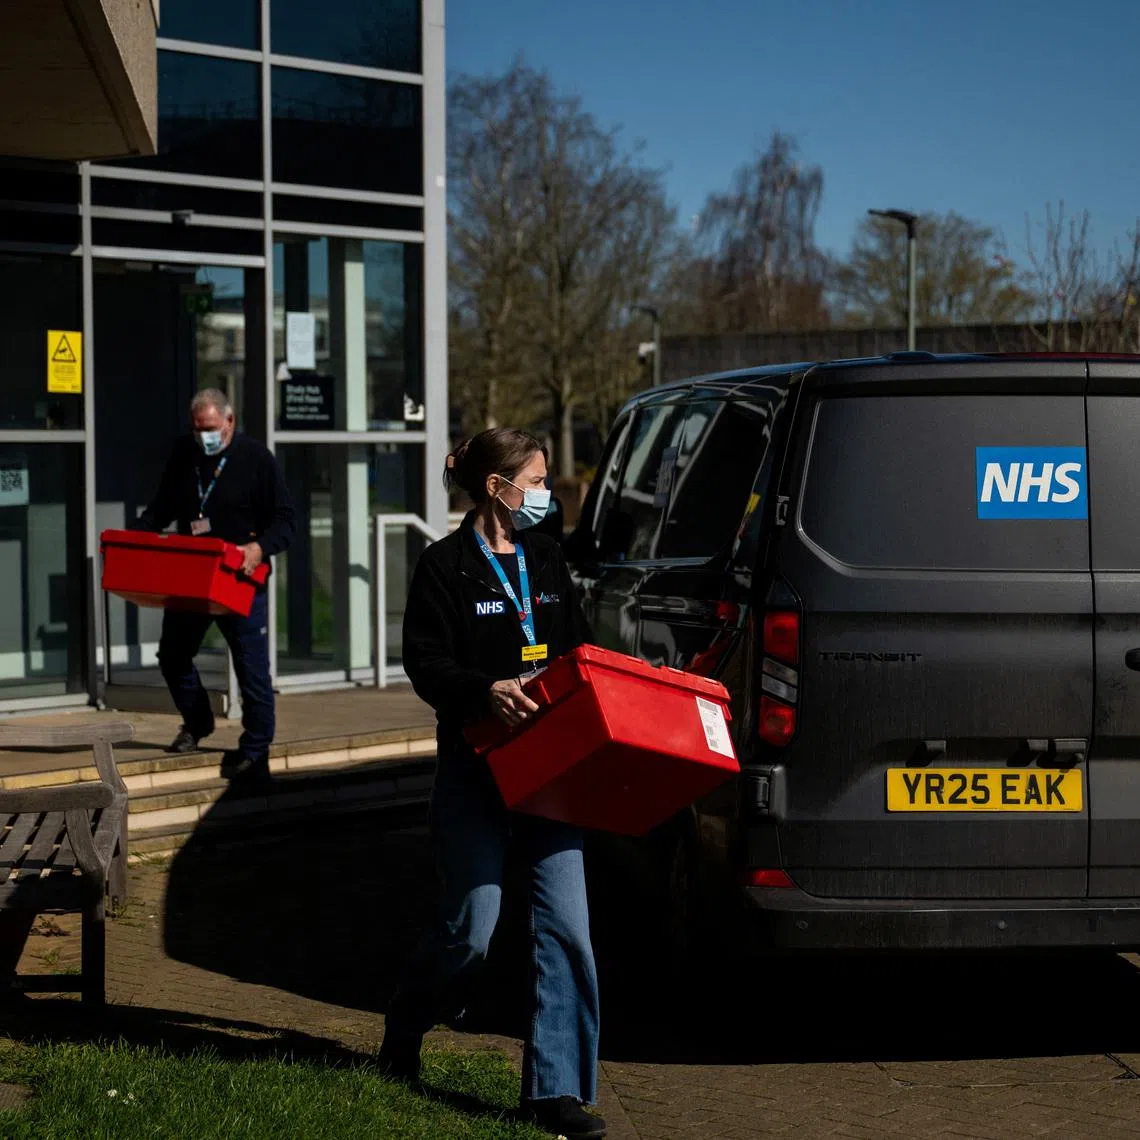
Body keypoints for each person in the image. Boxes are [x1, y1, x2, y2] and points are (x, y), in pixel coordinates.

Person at [378, 428, 605, 1140]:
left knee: (567, 930)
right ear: (496, 486)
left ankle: (554, 1093)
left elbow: (574, 643)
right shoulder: (444, 567)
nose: (546, 494)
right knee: (469, 931)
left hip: (552, 774)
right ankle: (407, 1024)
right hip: (478, 773)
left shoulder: (545, 555)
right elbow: (425, 663)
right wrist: (484, 691)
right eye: (535, 481)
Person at [135, 389, 295, 782]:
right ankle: (197, 721)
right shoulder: (183, 455)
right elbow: (162, 508)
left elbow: (286, 521)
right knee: (172, 655)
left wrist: (260, 548)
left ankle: (256, 749)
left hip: (239, 577)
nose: (203, 435)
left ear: (229, 422)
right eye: (197, 429)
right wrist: (137, 537)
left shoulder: (256, 460)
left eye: (210, 428)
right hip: (192, 576)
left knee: (250, 666)